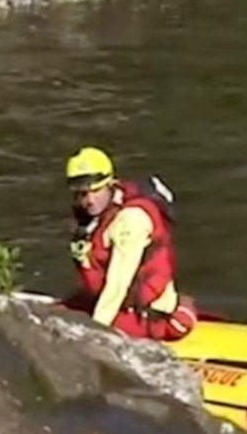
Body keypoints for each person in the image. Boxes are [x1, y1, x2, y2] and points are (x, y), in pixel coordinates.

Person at [62, 146, 197, 341]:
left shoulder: (131, 221)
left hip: (148, 317)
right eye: (83, 194)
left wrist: (94, 334)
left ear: (110, 183)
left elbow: (117, 286)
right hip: (118, 305)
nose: (89, 200)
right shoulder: (95, 215)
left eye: (96, 190)